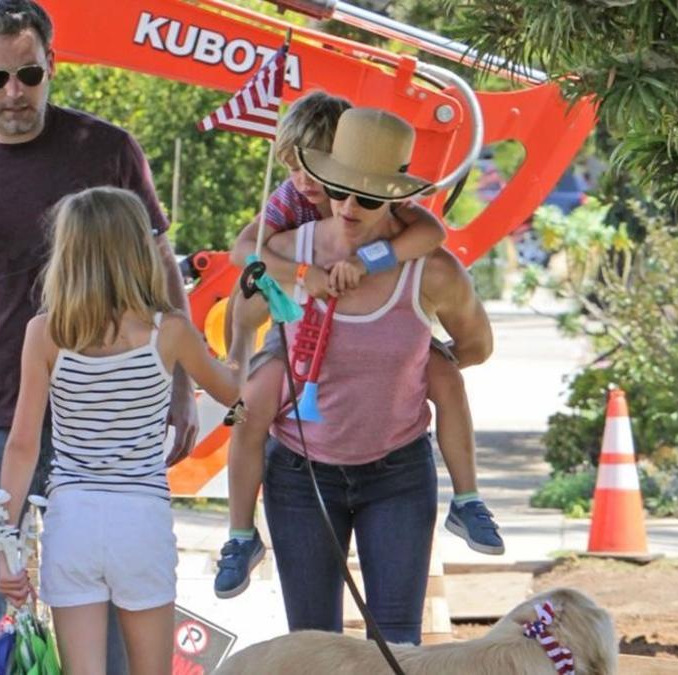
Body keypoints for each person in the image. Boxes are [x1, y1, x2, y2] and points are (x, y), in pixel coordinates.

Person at [0, 2, 198, 671]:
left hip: (100, 421)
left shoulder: (106, 151)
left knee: (111, 607)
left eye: (29, 74)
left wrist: (183, 386)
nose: (14, 92)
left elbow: (160, 271)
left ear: (53, 64)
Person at [213, 95, 505, 600]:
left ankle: (469, 497)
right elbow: (246, 258)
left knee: (444, 374)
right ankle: (240, 533)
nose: (345, 205)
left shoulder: (417, 246)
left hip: (395, 460)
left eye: (365, 197)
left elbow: (433, 234)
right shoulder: (289, 211)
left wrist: (372, 262)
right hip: (293, 355)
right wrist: (303, 278)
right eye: (335, 189)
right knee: (246, 409)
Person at [0, 187, 241, 675]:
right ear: (138, 249)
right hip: (139, 518)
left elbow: (22, 446)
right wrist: (245, 330)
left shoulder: (45, 333)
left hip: (72, 519)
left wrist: (5, 547)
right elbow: (235, 393)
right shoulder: (168, 331)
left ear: (68, 252)